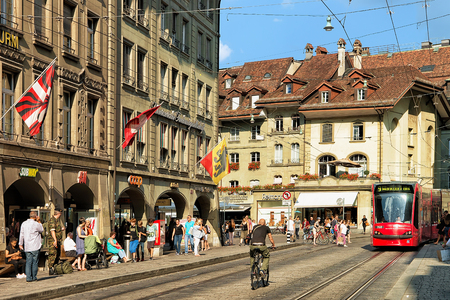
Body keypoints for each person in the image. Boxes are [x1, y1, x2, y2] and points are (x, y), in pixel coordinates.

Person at [18, 211, 43, 282]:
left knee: (28, 262)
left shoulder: (24, 223)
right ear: (35, 216)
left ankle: (28, 277)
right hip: (35, 246)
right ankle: (34, 277)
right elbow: (41, 230)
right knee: (35, 262)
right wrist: (39, 221)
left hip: (27, 246)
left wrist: (20, 243)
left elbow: (21, 234)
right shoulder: (36, 224)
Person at [48, 208, 65, 275]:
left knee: (57, 255)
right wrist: (55, 240)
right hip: (53, 241)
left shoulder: (56, 220)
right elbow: (52, 231)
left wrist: (61, 229)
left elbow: (56, 229)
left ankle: (55, 269)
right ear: (58, 214)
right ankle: (50, 268)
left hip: (57, 241)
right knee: (52, 254)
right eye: (60, 213)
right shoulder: (52, 220)